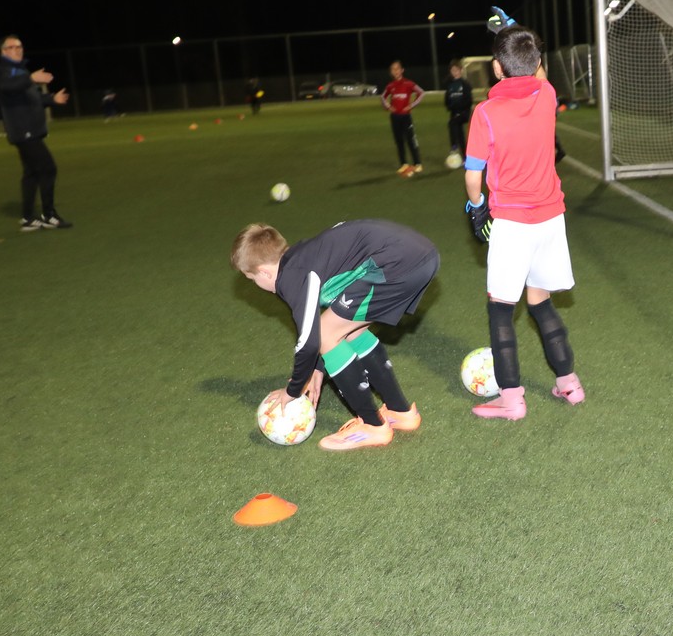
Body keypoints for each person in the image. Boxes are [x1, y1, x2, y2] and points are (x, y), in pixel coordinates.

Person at [462, 23, 584, 421]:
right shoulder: (546, 95)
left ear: (496, 68)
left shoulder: (485, 112)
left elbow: (473, 176)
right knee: (540, 301)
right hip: (551, 220)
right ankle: (569, 383)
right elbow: (539, 72)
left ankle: (511, 399)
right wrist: (517, 31)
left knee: (501, 310)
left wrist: (477, 207)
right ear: (537, 61)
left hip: (512, 224)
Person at [232, 219, 439, 451]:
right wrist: (318, 367)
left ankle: (372, 426)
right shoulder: (304, 257)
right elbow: (326, 324)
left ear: (264, 272)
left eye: (252, 279)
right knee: (350, 330)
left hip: (397, 263)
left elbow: (310, 340)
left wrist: (293, 391)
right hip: (419, 255)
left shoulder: (293, 277)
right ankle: (400, 412)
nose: (255, 284)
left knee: (326, 332)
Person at [0, 35, 72, 231]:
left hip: (32, 130)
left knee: (32, 173)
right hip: (23, 130)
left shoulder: (21, 71)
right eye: (12, 47)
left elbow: (33, 97)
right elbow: (6, 87)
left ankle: (27, 218)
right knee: (48, 168)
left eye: (20, 46)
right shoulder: (2, 71)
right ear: (3, 52)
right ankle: (49, 215)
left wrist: (53, 99)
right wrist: (31, 78)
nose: (18, 49)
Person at [380, 60, 424, 176]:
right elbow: (382, 97)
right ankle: (403, 164)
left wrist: (411, 105)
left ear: (402, 70)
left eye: (397, 68)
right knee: (399, 141)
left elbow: (421, 93)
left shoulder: (408, 83)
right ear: (391, 72)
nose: (395, 71)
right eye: (393, 69)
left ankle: (417, 163)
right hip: (395, 117)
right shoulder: (390, 86)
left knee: (411, 140)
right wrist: (388, 107)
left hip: (406, 117)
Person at [443, 59, 472, 159]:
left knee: (452, 124)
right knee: (459, 134)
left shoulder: (465, 84)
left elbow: (469, 100)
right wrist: (450, 107)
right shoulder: (450, 84)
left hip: (463, 112)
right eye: (453, 70)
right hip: (454, 112)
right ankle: (464, 157)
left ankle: (454, 146)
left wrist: (461, 109)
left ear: (461, 70)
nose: (454, 72)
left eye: (456, 70)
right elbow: (447, 99)